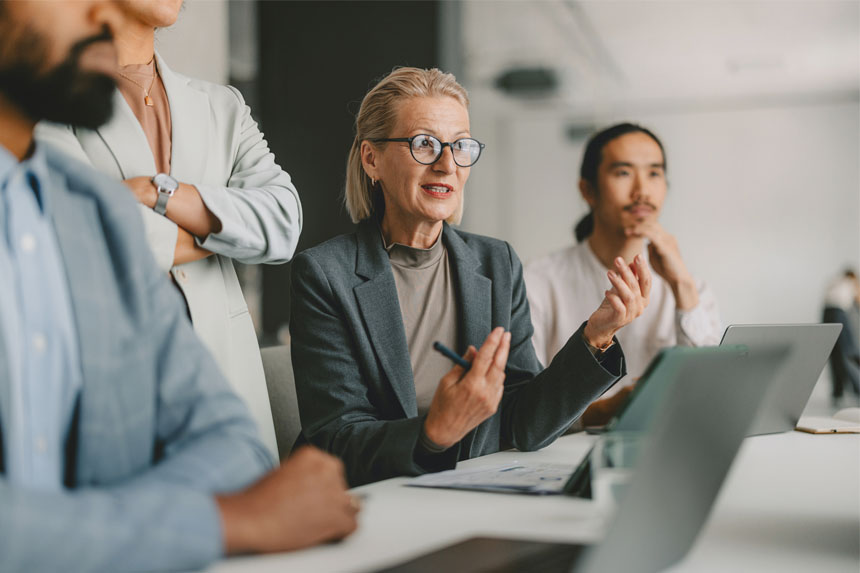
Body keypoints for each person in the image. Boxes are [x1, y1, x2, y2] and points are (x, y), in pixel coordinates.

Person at [0, 2, 356, 571]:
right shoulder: (83, 199)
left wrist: (160, 195)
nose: (102, 16)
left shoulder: (79, 201)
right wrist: (223, 522)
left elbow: (284, 225)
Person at [290, 68, 651, 487]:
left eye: (460, 146)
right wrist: (434, 433)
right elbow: (336, 439)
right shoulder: (324, 274)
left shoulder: (496, 262)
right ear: (372, 159)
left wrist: (596, 336)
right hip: (369, 498)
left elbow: (524, 422)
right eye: (424, 144)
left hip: (469, 486)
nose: (447, 165)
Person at [36, 0, 302, 456]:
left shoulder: (224, 106)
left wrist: (159, 193)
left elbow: (282, 223)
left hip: (228, 388)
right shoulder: (45, 104)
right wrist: (224, 234)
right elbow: (87, 233)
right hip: (117, 392)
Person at [525, 123, 722, 425]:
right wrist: (606, 410)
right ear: (588, 190)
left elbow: (711, 394)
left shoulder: (690, 287)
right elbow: (525, 409)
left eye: (654, 173)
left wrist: (681, 285)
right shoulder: (537, 282)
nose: (642, 191)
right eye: (623, 173)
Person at [823, 269, 860, 404]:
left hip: (826, 314)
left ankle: (837, 390)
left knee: (834, 354)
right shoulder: (850, 283)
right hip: (838, 313)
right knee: (849, 353)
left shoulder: (834, 281)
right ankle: (858, 389)